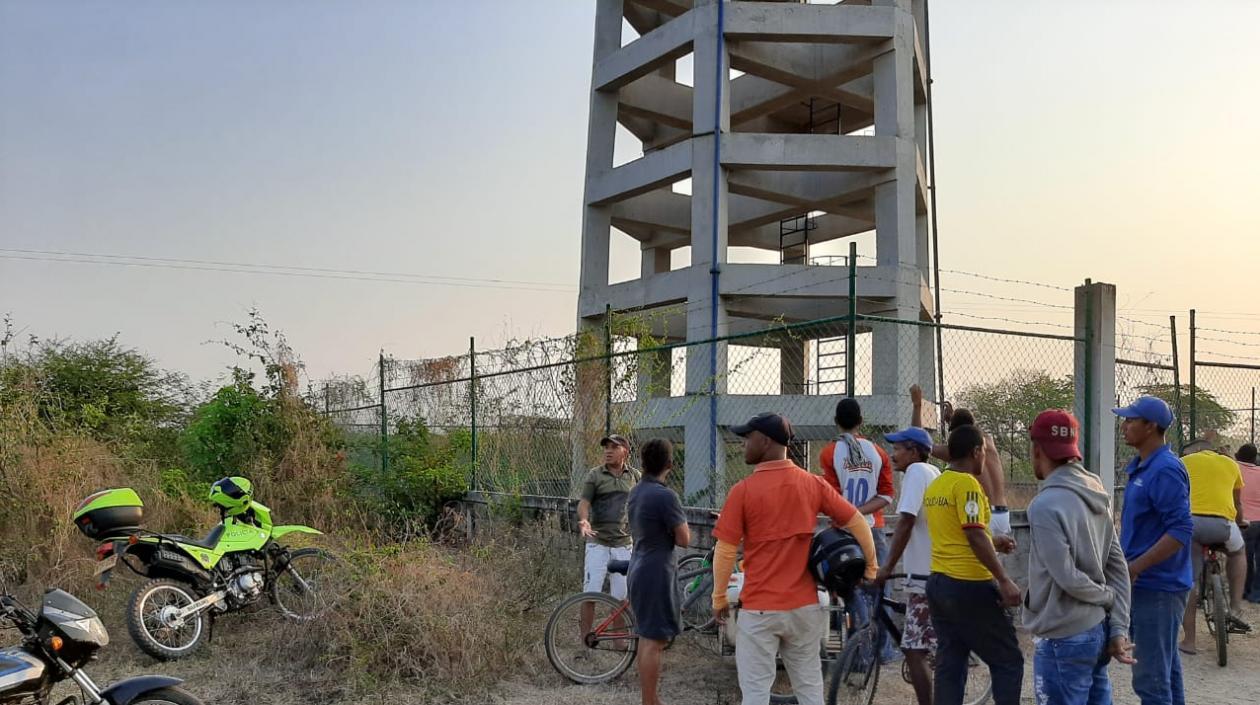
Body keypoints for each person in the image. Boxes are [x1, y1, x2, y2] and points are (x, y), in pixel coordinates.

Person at [711, 412, 877, 705]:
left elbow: (725, 551)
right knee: (810, 690)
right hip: (804, 608)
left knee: (755, 694)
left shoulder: (743, 491)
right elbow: (857, 521)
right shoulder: (812, 483)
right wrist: (871, 568)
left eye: (748, 437)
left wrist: (719, 597)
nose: (743, 444)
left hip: (760, 609)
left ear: (765, 441)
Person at [1024, 410, 1134, 705]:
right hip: (1095, 631)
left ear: (1037, 449)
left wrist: (1106, 597)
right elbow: (1117, 567)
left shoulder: (1044, 506)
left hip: (1063, 636)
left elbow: (1067, 576)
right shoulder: (1096, 491)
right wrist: (1118, 627)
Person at [923, 424, 1023, 705]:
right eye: (985, 452)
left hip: (939, 584)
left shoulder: (937, 485)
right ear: (977, 452)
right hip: (969, 585)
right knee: (1008, 660)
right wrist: (1003, 579)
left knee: (951, 663)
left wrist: (993, 541)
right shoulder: (967, 484)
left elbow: (959, 533)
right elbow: (973, 534)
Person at [1113, 396, 1193, 705]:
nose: (1124, 426)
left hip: (1158, 586)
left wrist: (1136, 567)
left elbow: (1181, 530)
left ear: (1151, 426)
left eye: (1131, 420)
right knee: (1165, 672)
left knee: (1151, 680)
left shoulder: (1164, 470)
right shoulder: (1144, 467)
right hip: (1149, 583)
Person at [819, 398, 898, 662]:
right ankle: (883, 652)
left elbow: (830, 497)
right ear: (861, 422)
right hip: (874, 529)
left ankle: (860, 656)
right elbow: (886, 495)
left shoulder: (830, 453)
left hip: (844, 532)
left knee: (852, 590)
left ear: (836, 422)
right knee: (880, 589)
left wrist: (849, 514)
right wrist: (861, 511)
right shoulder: (878, 452)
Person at [874, 426, 940, 705]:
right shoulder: (933, 471)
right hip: (934, 572)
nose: (893, 455)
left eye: (898, 449)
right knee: (927, 646)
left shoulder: (915, 473)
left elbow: (906, 521)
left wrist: (887, 567)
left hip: (925, 577)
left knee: (914, 650)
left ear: (913, 451)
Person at [627, 438, 690, 705]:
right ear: (670, 464)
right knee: (655, 641)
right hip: (656, 572)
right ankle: (650, 701)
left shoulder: (636, 491)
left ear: (643, 463)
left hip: (638, 566)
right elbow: (684, 539)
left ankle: (651, 699)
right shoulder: (666, 496)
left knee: (647, 637)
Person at [1178, 437, 1251, 654]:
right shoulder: (1231, 464)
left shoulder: (1182, 463)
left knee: (1189, 581)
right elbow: (1237, 503)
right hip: (1223, 525)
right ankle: (1236, 606)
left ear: (1195, 450)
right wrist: (1240, 522)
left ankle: (1189, 641)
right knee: (1238, 552)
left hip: (1191, 524)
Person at [910, 384, 1012, 538]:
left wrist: (917, 406)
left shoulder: (961, 452)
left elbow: (919, 442)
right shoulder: (988, 442)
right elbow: (970, 429)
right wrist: (953, 419)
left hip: (981, 514)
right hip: (1003, 513)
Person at [577, 434, 640, 638]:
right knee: (590, 593)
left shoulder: (635, 477)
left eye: (614, 447)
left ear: (625, 452)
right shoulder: (595, 475)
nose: (608, 451)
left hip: (624, 543)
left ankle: (619, 641)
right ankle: (586, 639)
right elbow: (584, 503)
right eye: (606, 447)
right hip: (598, 542)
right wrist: (584, 520)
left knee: (620, 597)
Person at [1237, 443, 1260, 603]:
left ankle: (1245, 590)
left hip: (1245, 521)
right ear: (1254, 458)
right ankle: (1257, 593)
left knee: (1245, 557)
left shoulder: (1234, 469)